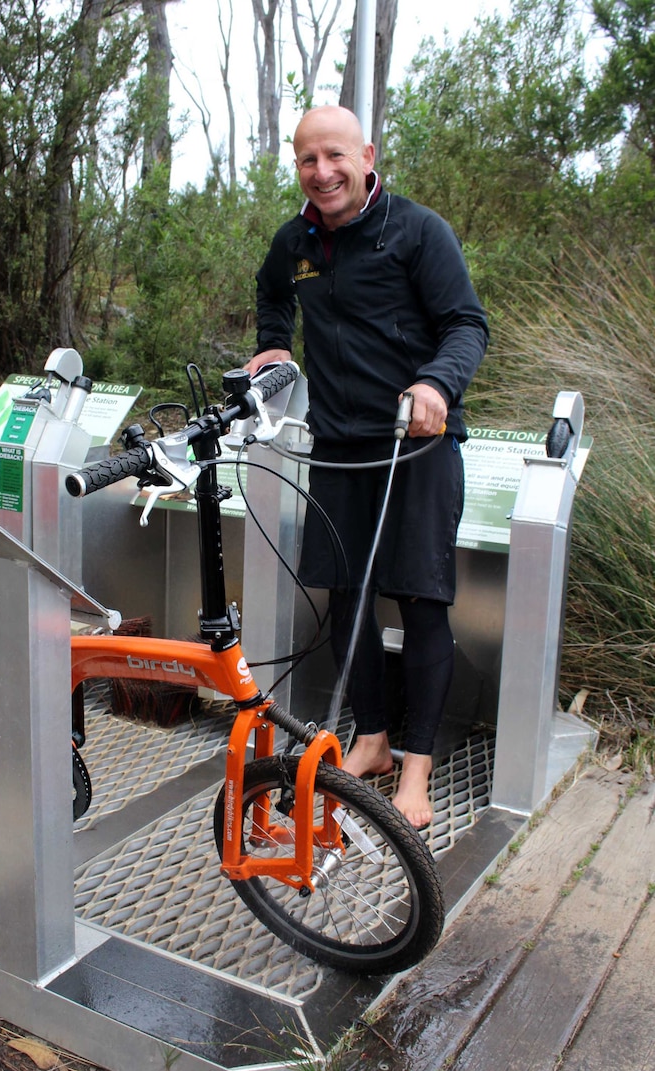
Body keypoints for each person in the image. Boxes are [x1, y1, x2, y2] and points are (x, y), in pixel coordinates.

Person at [245, 105, 489, 829]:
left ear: (367, 155)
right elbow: (271, 294)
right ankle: (373, 739)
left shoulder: (418, 230)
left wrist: (438, 384)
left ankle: (417, 768)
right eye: (306, 160)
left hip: (417, 449)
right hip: (341, 447)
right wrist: (274, 345)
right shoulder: (295, 241)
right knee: (348, 598)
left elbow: (466, 323)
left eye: (334, 157)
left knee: (420, 601)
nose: (321, 173)